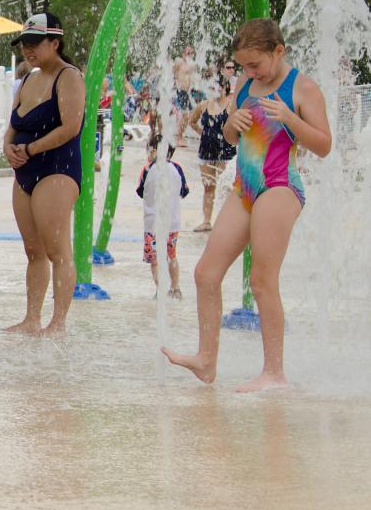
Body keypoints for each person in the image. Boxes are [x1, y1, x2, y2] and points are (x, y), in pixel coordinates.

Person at [166, 19, 332, 392]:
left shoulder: (302, 88)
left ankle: (274, 372)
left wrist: (290, 118)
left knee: (261, 280)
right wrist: (232, 122)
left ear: (279, 51)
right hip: (245, 186)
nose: (248, 72)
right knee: (206, 273)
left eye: (255, 64)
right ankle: (207, 361)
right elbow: (229, 137)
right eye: (243, 66)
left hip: (279, 185)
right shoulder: (245, 84)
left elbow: (324, 145)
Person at [3, 12, 86, 336]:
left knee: (57, 250)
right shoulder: (27, 79)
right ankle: (31, 318)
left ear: (55, 42)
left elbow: (71, 127)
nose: (28, 50)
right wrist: (8, 147)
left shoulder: (69, 77)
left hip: (56, 169)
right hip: (24, 168)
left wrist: (31, 149)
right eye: (25, 44)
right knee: (33, 251)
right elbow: (13, 124)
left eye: (35, 43)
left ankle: (58, 322)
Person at [136, 136, 189, 298]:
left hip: (152, 224)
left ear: (153, 151)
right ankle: (175, 288)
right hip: (172, 222)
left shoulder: (147, 169)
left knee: (155, 260)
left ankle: (161, 290)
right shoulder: (177, 169)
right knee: (171, 255)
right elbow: (184, 192)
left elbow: (140, 191)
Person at [186, 69, 236, 231]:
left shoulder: (231, 105)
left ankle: (225, 221)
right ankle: (207, 221)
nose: (216, 90)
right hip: (206, 151)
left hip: (225, 151)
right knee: (208, 186)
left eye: (219, 87)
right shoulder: (204, 105)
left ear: (224, 88)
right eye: (212, 86)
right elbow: (191, 121)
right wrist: (203, 133)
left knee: (224, 187)